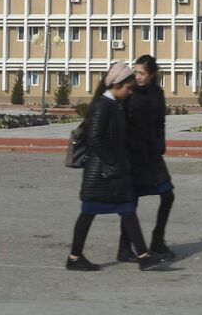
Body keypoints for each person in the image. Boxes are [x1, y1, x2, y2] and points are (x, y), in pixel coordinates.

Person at [67, 62, 162, 271]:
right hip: (101, 173)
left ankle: (144, 256)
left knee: (127, 210)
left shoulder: (114, 105)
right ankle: (74, 257)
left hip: (112, 172)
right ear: (117, 85)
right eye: (128, 88)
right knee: (88, 213)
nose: (130, 92)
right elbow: (95, 138)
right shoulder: (103, 105)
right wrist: (113, 161)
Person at [118, 55, 176, 261]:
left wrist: (161, 143)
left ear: (151, 74)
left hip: (151, 154)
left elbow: (160, 121)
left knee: (168, 195)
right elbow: (120, 123)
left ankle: (157, 241)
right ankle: (124, 247)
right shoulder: (128, 94)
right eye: (135, 72)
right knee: (130, 201)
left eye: (142, 73)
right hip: (133, 154)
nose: (138, 76)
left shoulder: (157, 94)